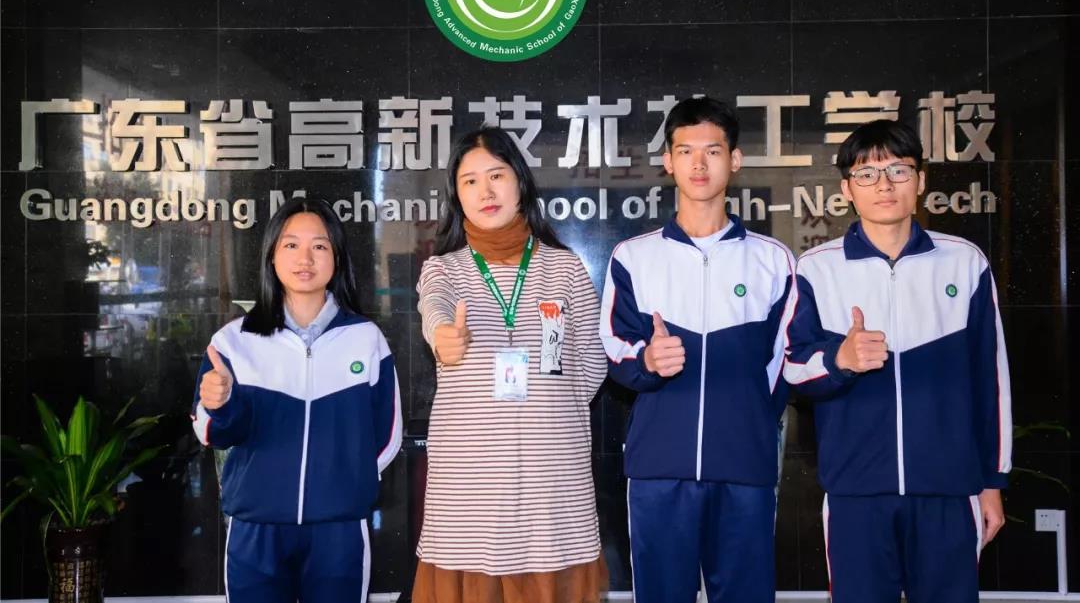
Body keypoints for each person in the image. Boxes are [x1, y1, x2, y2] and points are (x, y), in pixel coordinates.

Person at [783, 119, 1012, 603]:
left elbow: (991, 381)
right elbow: (792, 370)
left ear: (921, 180)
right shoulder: (817, 269)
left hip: (949, 488)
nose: (884, 185)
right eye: (867, 174)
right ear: (847, 189)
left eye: (898, 170)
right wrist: (840, 359)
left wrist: (992, 482)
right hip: (856, 492)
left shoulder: (965, 262)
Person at [599, 96, 796, 603]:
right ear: (668, 161)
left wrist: (748, 422)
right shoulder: (634, 257)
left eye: (713, 150)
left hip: (744, 467)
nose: (699, 164)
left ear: (735, 159)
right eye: (686, 151)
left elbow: (785, 362)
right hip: (659, 470)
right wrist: (647, 361)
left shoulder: (773, 261)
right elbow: (613, 348)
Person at [412, 126, 608, 603]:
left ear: (520, 181)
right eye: (470, 181)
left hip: (551, 478)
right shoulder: (444, 269)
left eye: (496, 175)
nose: (486, 191)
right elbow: (434, 308)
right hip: (471, 483)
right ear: (457, 196)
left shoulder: (564, 269)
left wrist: (547, 409)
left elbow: (591, 364)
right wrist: (444, 337)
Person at [191, 197, 402, 603]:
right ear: (272, 256)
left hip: (338, 528)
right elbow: (211, 432)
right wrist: (220, 405)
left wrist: (342, 481)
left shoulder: (365, 339)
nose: (305, 258)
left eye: (319, 246)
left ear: (337, 258)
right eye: (291, 245)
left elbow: (387, 433)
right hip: (256, 525)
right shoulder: (234, 341)